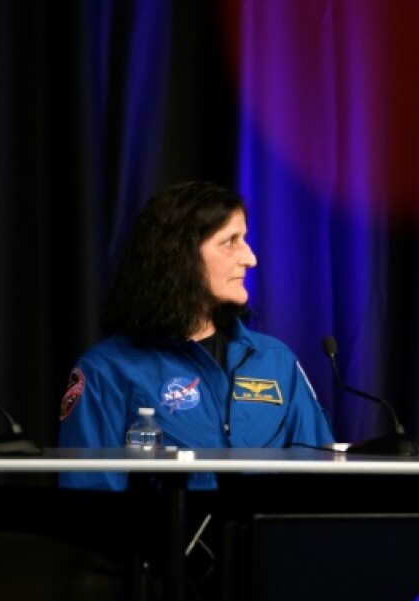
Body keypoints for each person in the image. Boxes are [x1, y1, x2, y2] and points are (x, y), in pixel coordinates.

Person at [58, 180, 335, 490]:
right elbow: (90, 505)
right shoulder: (106, 371)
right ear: (180, 256)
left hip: (264, 538)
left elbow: (320, 483)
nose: (250, 258)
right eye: (231, 241)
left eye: (244, 239)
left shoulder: (276, 361)